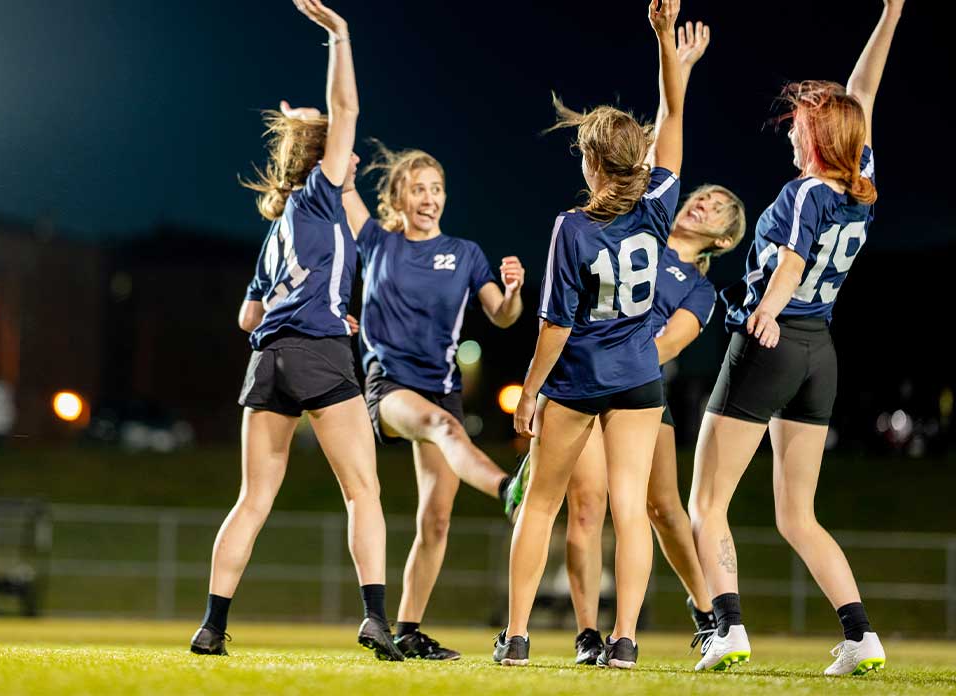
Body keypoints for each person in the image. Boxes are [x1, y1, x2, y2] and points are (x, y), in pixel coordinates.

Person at [689, 0, 903, 675]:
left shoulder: (810, 191)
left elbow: (789, 261)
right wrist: (890, 13)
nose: (791, 133)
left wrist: (768, 311)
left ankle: (726, 628)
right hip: (821, 354)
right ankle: (862, 634)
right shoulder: (859, 180)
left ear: (817, 137)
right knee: (796, 515)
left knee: (706, 501)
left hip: (778, 340)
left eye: (800, 125)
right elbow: (861, 91)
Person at [189, 0, 403, 661]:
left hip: (267, 359)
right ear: (326, 157)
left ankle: (212, 626)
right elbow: (350, 111)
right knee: (362, 490)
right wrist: (339, 37)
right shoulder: (319, 192)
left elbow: (247, 317)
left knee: (253, 498)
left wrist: (312, 301)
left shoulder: (278, 228)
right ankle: (375, 618)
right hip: (316, 353)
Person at [493, 0, 688, 670]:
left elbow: (555, 326)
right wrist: (665, 43)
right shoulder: (660, 204)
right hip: (638, 377)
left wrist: (529, 394)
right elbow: (674, 119)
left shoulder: (572, 226)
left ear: (592, 162)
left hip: (579, 380)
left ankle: (516, 637)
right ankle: (625, 640)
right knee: (630, 510)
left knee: (540, 506)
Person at [552, 22, 746, 665]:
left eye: (719, 209)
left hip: (634, 387)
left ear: (723, 240)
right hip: (589, 379)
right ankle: (589, 632)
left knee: (660, 506)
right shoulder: (643, 223)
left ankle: (708, 612)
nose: (705, 203)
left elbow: (667, 347)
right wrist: (673, 60)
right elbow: (660, 133)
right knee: (588, 505)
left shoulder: (697, 288)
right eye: (705, 195)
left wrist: (616, 358)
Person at [338, 141, 525, 660]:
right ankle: (511, 490)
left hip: (441, 388)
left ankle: (407, 630)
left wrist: (512, 293)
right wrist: (341, 163)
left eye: (436, 189)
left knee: (436, 520)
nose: (429, 198)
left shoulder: (465, 254)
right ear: (398, 197)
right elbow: (343, 187)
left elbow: (502, 316)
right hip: (390, 387)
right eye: (418, 189)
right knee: (445, 428)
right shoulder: (376, 240)